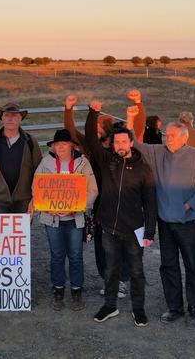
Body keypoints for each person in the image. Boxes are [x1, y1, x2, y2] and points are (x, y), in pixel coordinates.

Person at [126, 109, 195, 326]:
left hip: (187, 223)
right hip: (165, 222)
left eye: (171, 136)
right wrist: (131, 117)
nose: (167, 138)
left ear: (184, 138)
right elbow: (133, 143)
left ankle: (193, 307)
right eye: (165, 135)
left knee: (192, 265)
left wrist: (190, 204)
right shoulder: (158, 152)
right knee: (168, 265)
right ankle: (174, 307)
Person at [85, 100, 157, 327]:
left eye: (124, 141)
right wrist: (93, 112)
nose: (120, 145)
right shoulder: (107, 162)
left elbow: (151, 202)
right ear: (113, 144)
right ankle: (110, 306)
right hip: (109, 227)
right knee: (111, 269)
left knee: (136, 272)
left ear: (131, 142)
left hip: (134, 229)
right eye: (117, 142)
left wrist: (150, 231)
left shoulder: (143, 170)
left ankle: (139, 309)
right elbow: (89, 139)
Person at [63, 94, 134, 298]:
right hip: (99, 203)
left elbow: (134, 136)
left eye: (99, 128)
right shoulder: (90, 146)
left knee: (122, 242)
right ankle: (108, 279)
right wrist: (68, 109)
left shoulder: (118, 148)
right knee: (102, 244)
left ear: (108, 131)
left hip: (120, 201)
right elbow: (71, 132)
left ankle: (122, 280)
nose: (95, 130)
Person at [34, 129, 98, 312]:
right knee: (56, 255)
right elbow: (36, 186)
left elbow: (92, 190)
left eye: (64, 144)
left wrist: (75, 206)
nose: (60, 147)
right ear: (53, 146)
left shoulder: (82, 163)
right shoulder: (45, 163)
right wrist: (47, 206)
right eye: (57, 144)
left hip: (74, 217)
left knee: (76, 255)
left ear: (71, 146)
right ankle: (58, 289)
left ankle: (77, 289)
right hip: (51, 217)